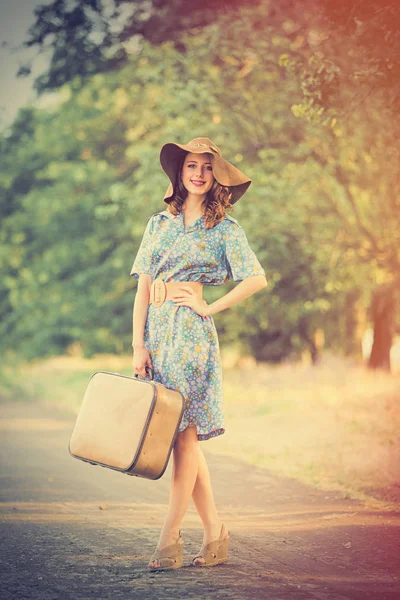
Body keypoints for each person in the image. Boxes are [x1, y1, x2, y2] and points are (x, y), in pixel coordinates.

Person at [130, 137, 267, 570]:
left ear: (216, 176)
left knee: (182, 437)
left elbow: (256, 278)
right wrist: (138, 344)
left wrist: (210, 305)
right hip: (157, 333)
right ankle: (215, 534)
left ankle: (169, 538)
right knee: (182, 437)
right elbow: (143, 289)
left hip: (190, 336)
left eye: (207, 167)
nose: (198, 173)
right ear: (180, 171)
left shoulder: (225, 229)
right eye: (191, 165)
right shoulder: (159, 223)